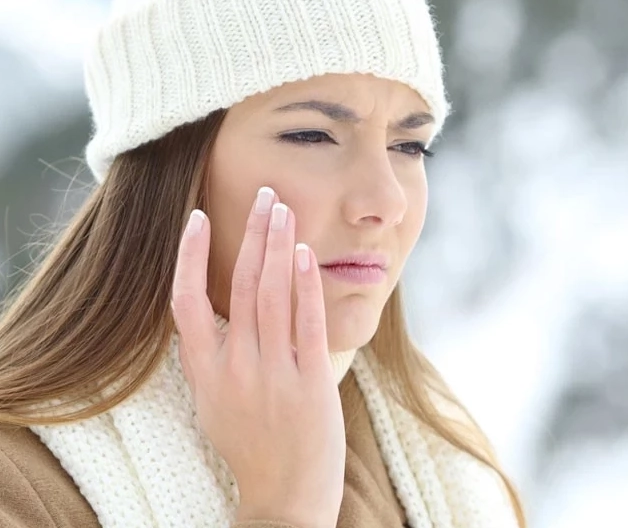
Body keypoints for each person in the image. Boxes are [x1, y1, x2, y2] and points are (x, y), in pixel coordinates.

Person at [0, 0, 527, 527]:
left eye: (410, 146)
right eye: (312, 136)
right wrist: (284, 511)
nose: (387, 201)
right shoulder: (22, 481)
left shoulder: (443, 458)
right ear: (171, 166)